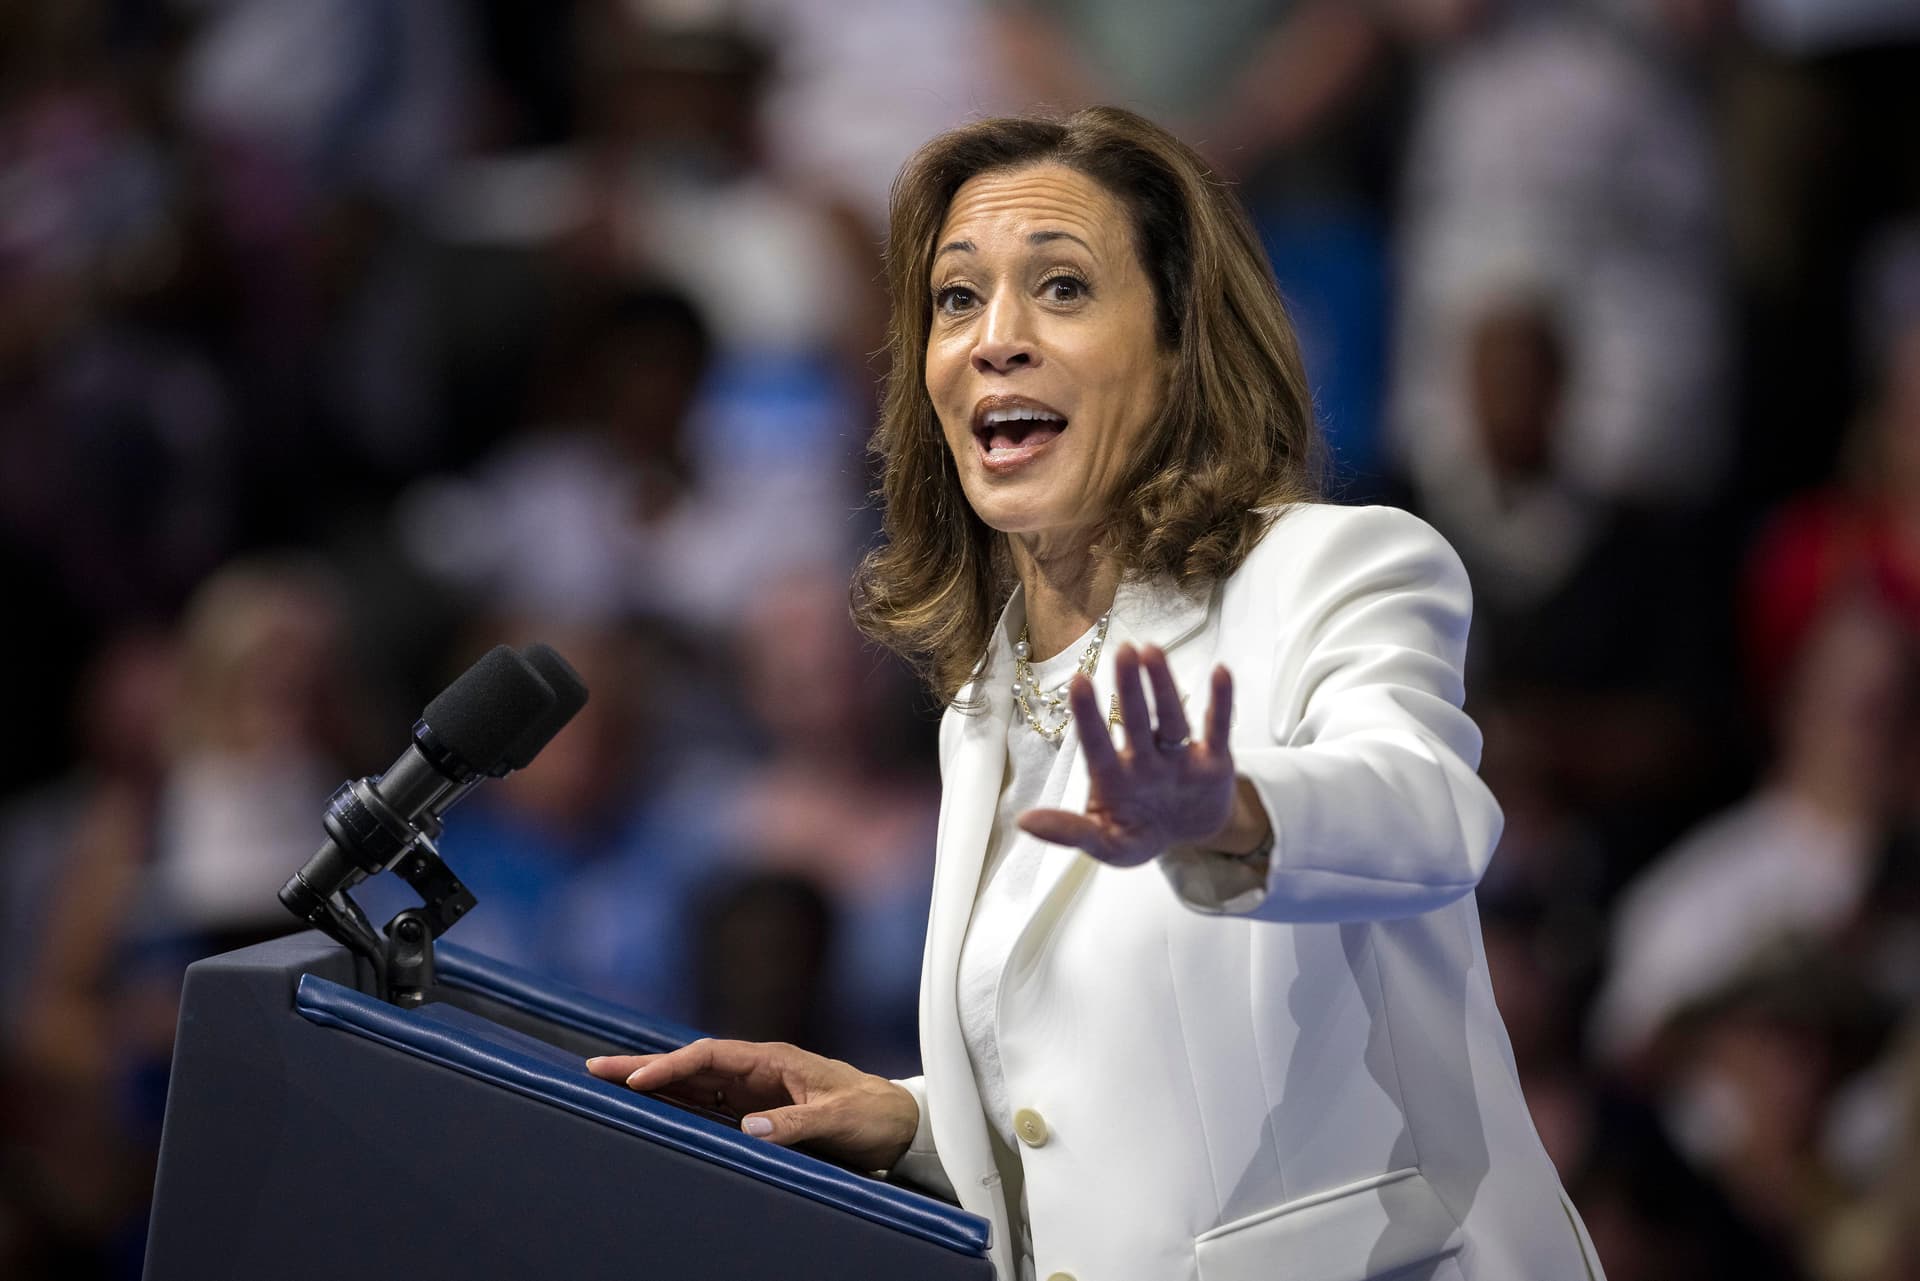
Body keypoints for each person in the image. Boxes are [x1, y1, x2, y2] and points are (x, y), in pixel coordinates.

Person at [588, 106, 1604, 1281]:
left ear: (1180, 347)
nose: (994, 340)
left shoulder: (1333, 568)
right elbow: (1102, 1097)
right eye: (958, 298)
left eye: (1061, 287)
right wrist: (913, 1119)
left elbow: (1429, 815)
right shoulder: (983, 702)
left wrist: (1231, 811)